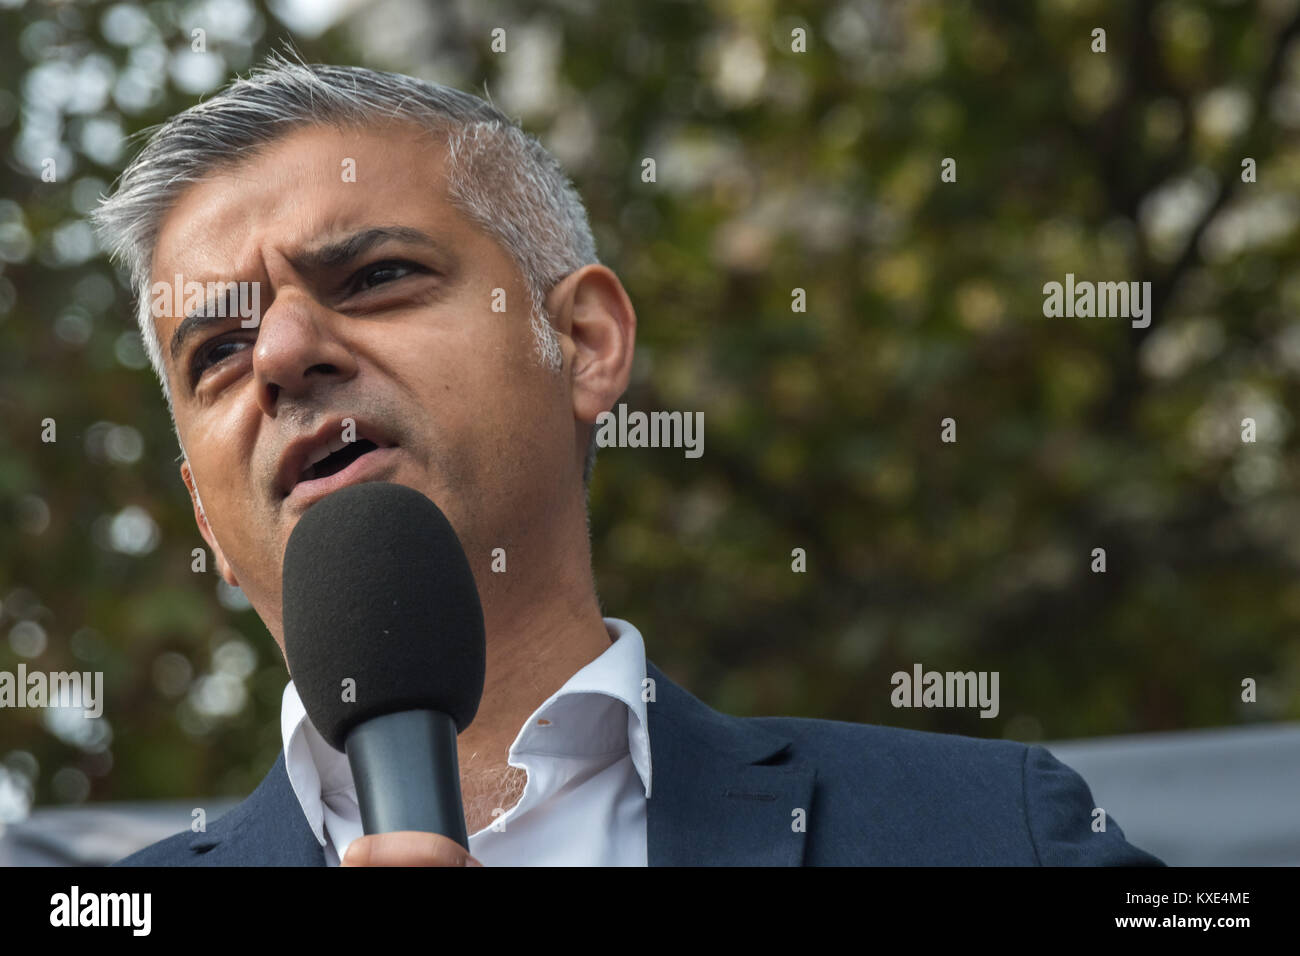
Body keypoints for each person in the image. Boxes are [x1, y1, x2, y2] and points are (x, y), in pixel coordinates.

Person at [92, 55, 1163, 867]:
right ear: (203, 521)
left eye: (373, 277)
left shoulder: (989, 832)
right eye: (219, 351)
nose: (281, 353)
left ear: (586, 343)